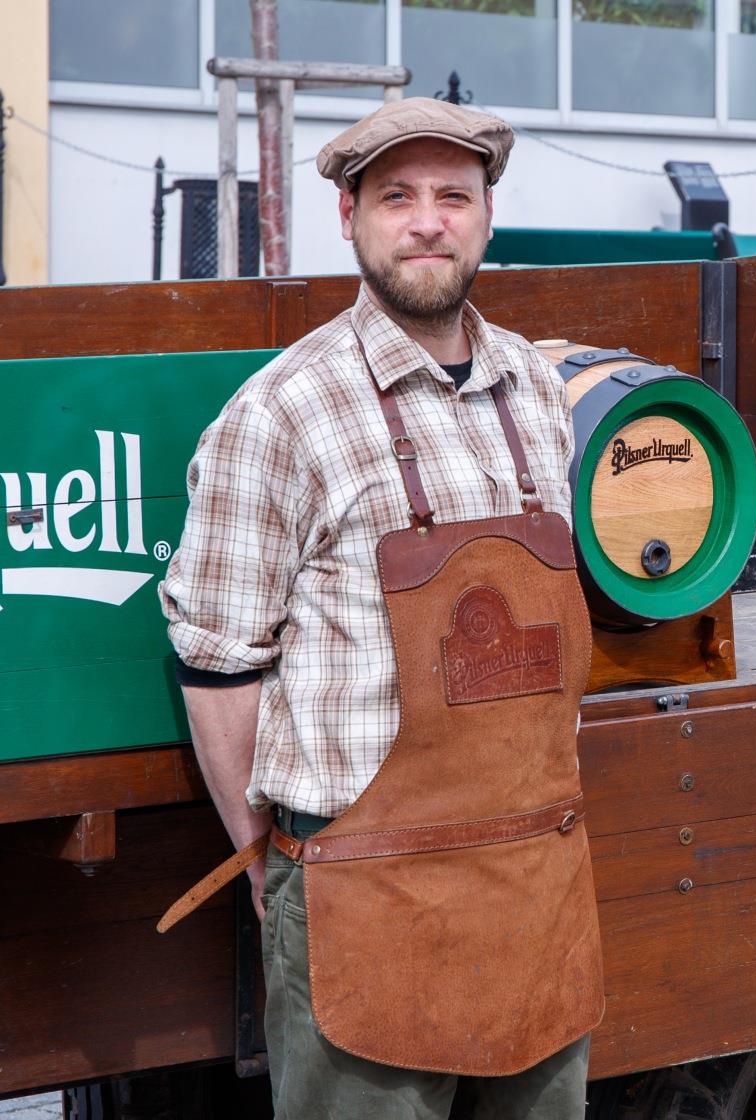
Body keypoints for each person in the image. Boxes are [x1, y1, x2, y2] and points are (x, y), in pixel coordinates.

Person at [156, 98, 600, 1119]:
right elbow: (218, 657)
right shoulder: (283, 410)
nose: (428, 222)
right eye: (397, 197)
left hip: (534, 882)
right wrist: (273, 861)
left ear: (488, 214)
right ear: (350, 216)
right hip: (364, 893)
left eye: (454, 196)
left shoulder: (536, 389)